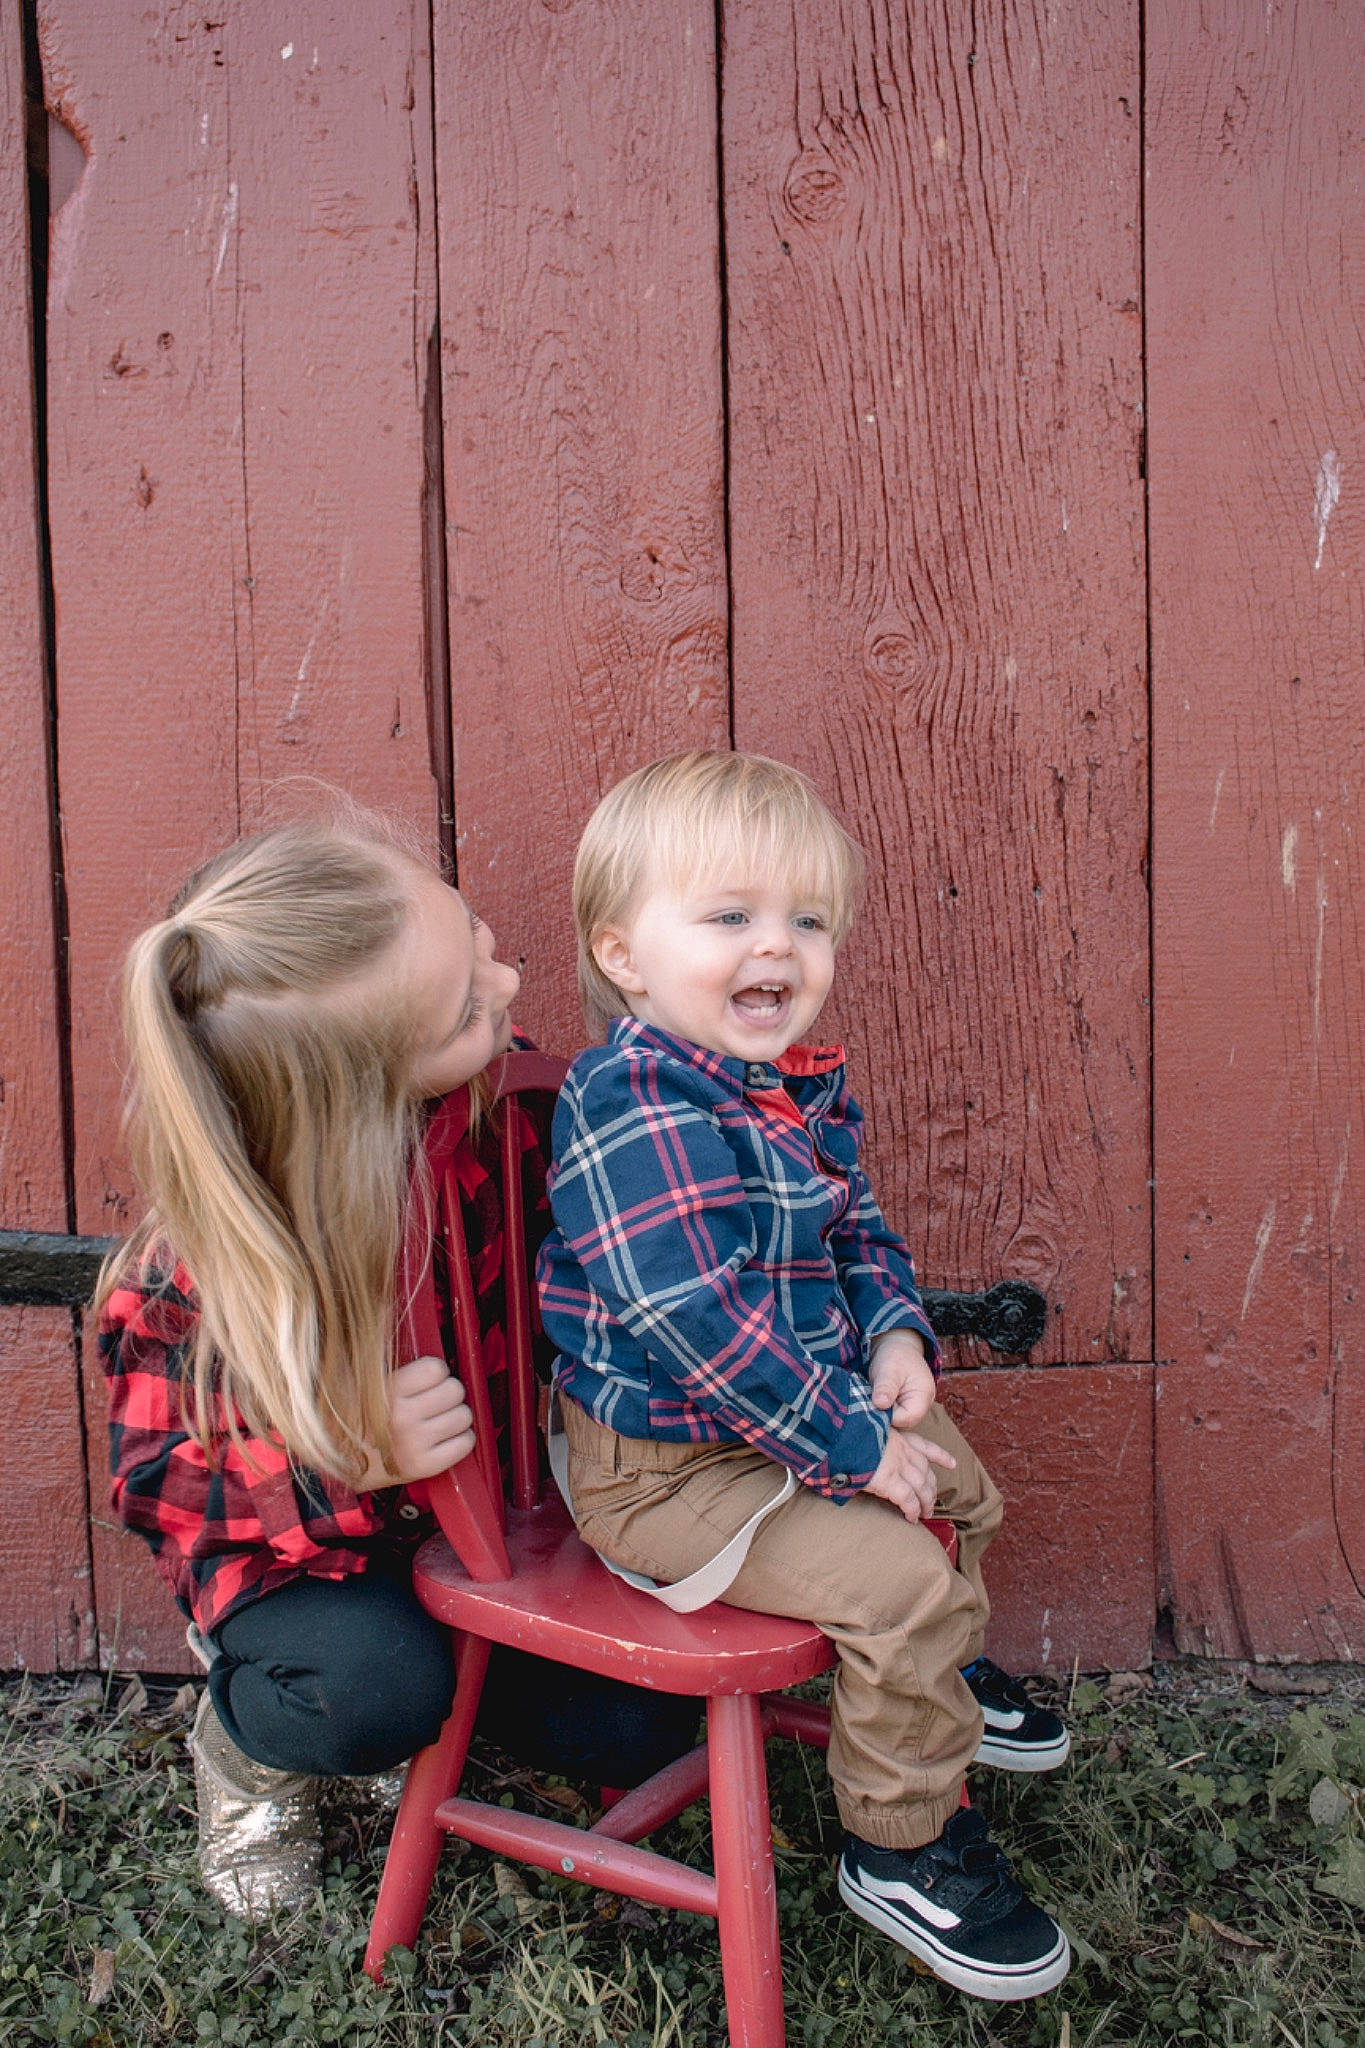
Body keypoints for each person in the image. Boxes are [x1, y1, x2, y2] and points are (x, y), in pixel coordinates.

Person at [537, 751, 1072, 2003]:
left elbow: (857, 1231)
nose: (777, 944)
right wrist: (847, 1440)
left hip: (775, 1422)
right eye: (729, 915)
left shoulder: (777, 1089)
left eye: (808, 919)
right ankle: (902, 1847)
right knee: (904, 1579)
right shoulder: (634, 1100)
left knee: (962, 1490)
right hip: (667, 1472)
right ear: (624, 954)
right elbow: (688, 1316)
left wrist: (894, 1338)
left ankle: (933, 1674)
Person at [97, 814, 699, 1916]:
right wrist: (348, 1454)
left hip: (497, 1521)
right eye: (467, 1009)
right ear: (353, 1091)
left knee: (638, 1721)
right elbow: (156, 1485)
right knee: (370, 1695)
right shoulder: (213, 1261)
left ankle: (448, 1693)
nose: (508, 983)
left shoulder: (508, 1111)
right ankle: (250, 1749)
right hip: (314, 1564)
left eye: (481, 943)